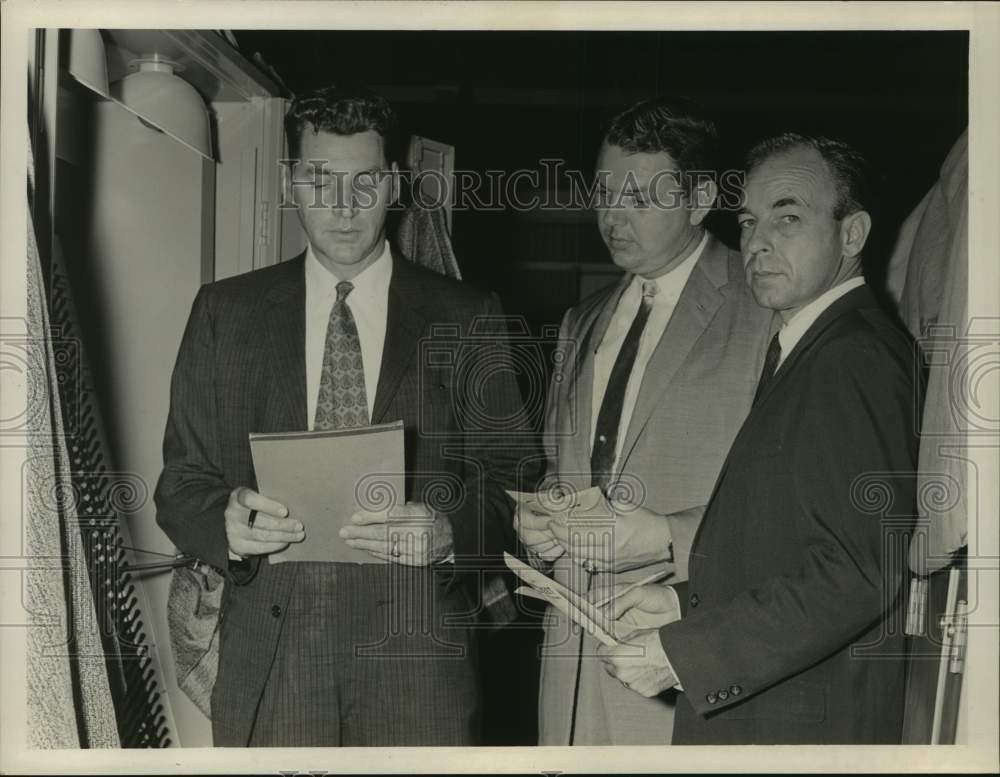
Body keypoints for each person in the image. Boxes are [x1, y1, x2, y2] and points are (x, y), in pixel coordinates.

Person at [155, 85, 530, 746]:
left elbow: (512, 479)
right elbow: (180, 485)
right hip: (274, 655)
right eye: (321, 182)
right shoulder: (225, 313)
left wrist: (450, 529)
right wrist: (226, 522)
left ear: (394, 184)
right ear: (289, 183)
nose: (344, 208)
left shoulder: (467, 314)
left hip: (419, 662)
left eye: (364, 183)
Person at [598, 133, 921, 744]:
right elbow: (792, 545)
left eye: (789, 217)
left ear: (852, 235)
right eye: (748, 221)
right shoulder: (810, 347)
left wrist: (686, 653)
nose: (758, 242)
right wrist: (685, 604)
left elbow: (860, 570)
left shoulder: (854, 357)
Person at [515, 96, 775, 745]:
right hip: (571, 661)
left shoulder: (762, 307)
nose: (613, 214)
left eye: (641, 196)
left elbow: (785, 500)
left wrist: (667, 538)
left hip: (678, 651)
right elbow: (561, 462)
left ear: (701, 196)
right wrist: (542, 512)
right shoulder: (584, 319)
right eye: (605, 190)